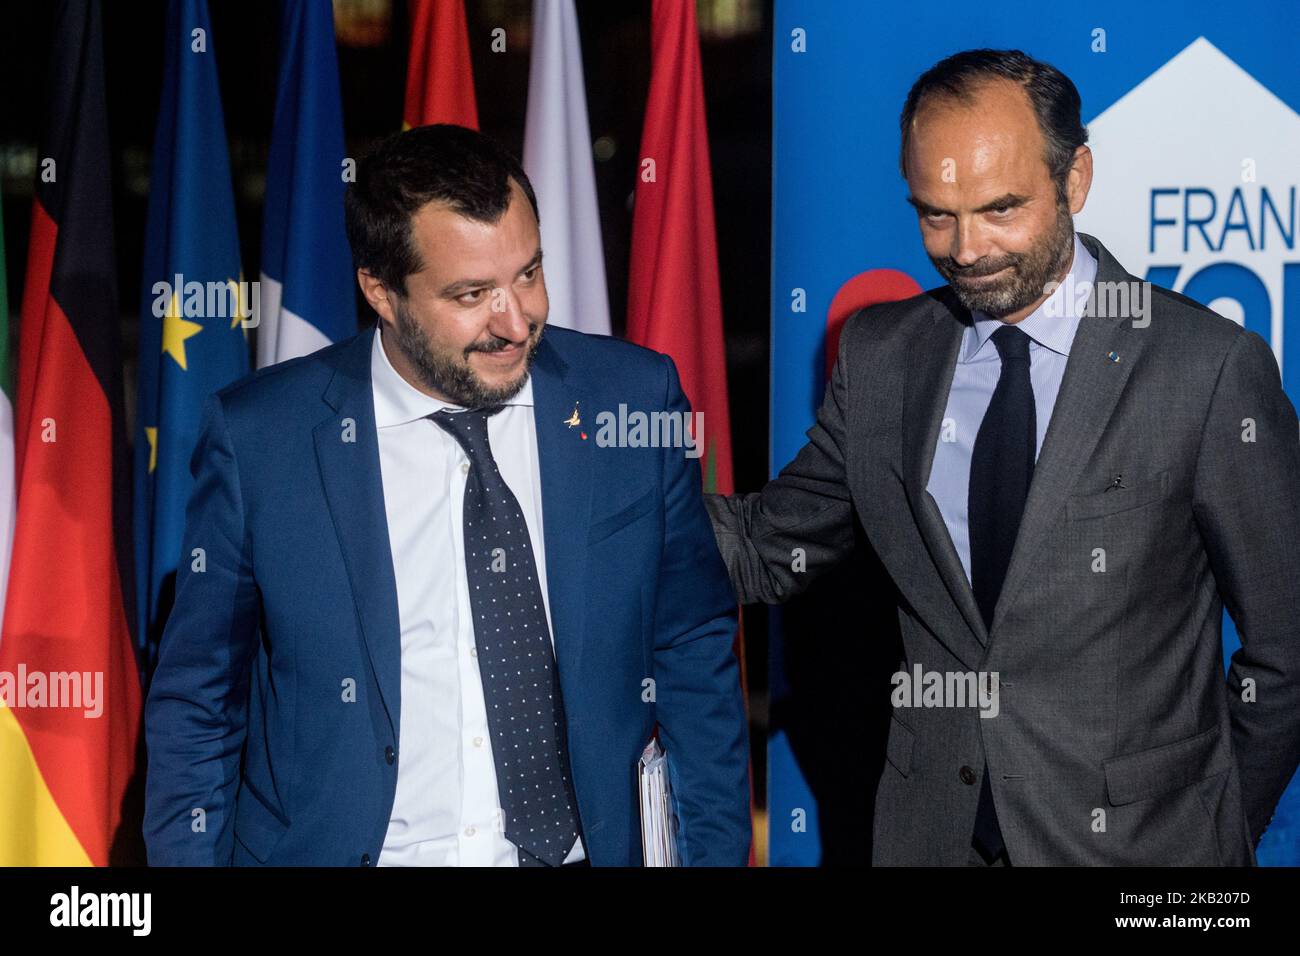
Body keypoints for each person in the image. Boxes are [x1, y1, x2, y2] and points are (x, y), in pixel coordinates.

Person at [706, 49, 1300, 866]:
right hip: (931, 841)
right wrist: (573, 475)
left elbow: (1287, 648)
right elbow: (767, 547)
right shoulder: (883, 355)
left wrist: (1215, 838)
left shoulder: (1204, 366)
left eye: (1000, 209)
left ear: (1076, 178)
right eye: (935, 215)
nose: (967, 249)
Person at [144, 124, 750, 867]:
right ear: (381, 292)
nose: (516, 320)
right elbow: (199, 702)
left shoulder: (634, 399)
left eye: (528, 274)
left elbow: (691, 647)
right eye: (472, 294)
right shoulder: (261, 440)